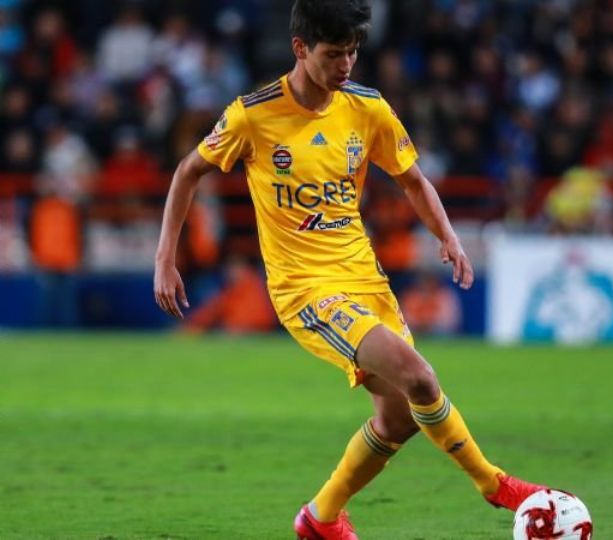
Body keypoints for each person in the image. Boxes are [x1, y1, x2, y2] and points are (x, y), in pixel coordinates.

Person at [152, 1, 544, 539]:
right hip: (306, 291)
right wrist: (165, 258)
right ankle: (495, 485)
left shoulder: (367, 107)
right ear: (300, 48)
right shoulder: (253, 115)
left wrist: (448, 237)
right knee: (420, 377)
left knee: (399, 417)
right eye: (334, 54)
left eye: (353, 52)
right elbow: (187, 171)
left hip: (365, 279)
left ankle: (321, 518)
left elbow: (412, 179)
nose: (346, 65)